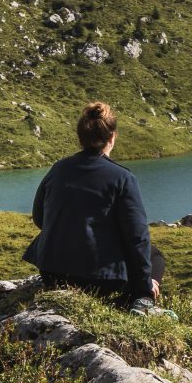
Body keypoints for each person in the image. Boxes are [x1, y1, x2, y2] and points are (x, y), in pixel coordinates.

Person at [22, 100, 165, 314]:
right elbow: (137, 237)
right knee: (155, 256)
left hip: (52, 273)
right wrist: (144, 282)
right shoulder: (122, 177)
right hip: (97, 280)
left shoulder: (58, 168)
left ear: (81, 137)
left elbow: (39, 218)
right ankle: (142, 300)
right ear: (112, 137)